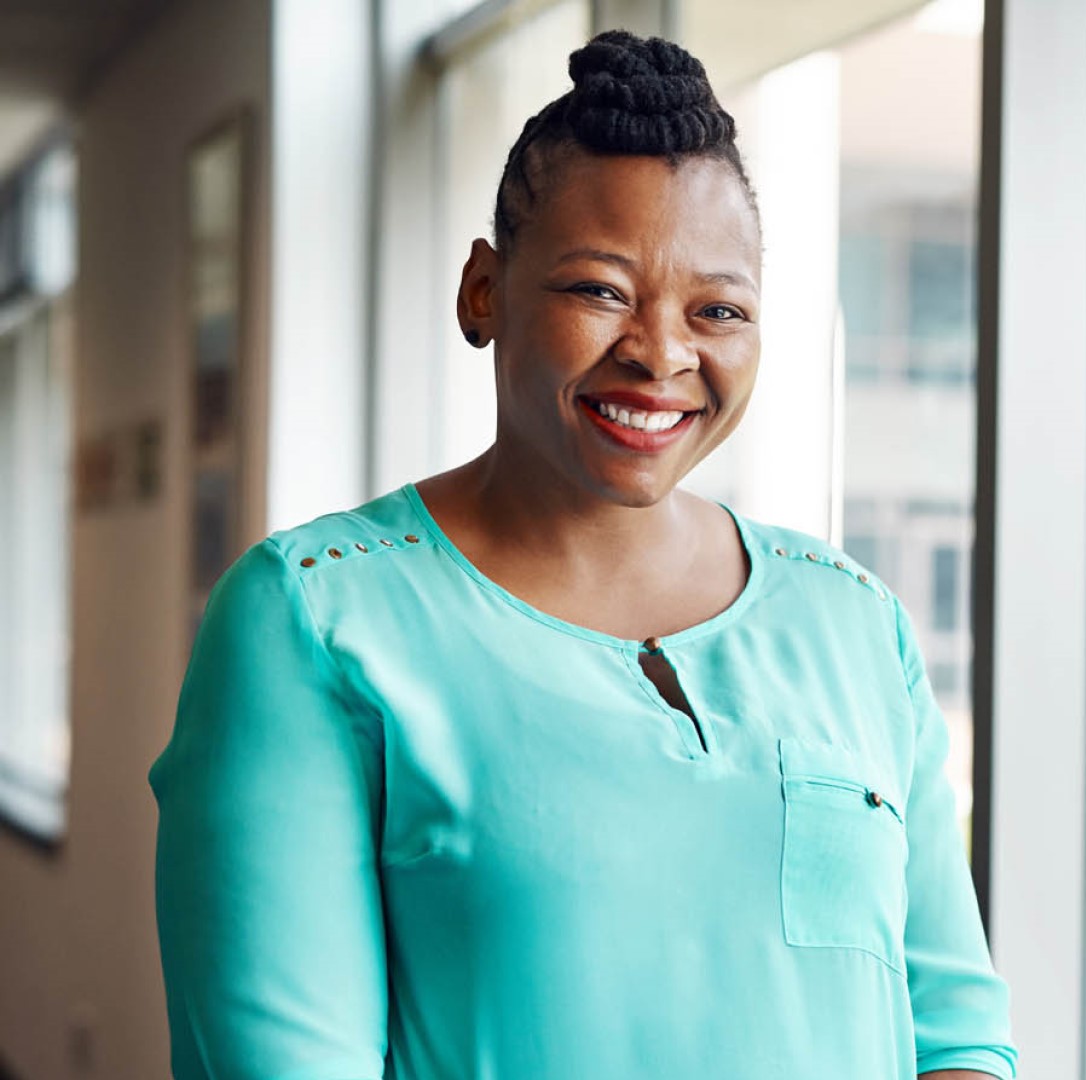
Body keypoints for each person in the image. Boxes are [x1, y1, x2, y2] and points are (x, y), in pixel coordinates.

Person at [147, 30, 1017, 1080]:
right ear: (484, 290)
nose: (662, 352)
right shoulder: (315, 622)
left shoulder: (854, 622)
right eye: (600, 291)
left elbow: (958, 1038)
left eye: (719, 310)